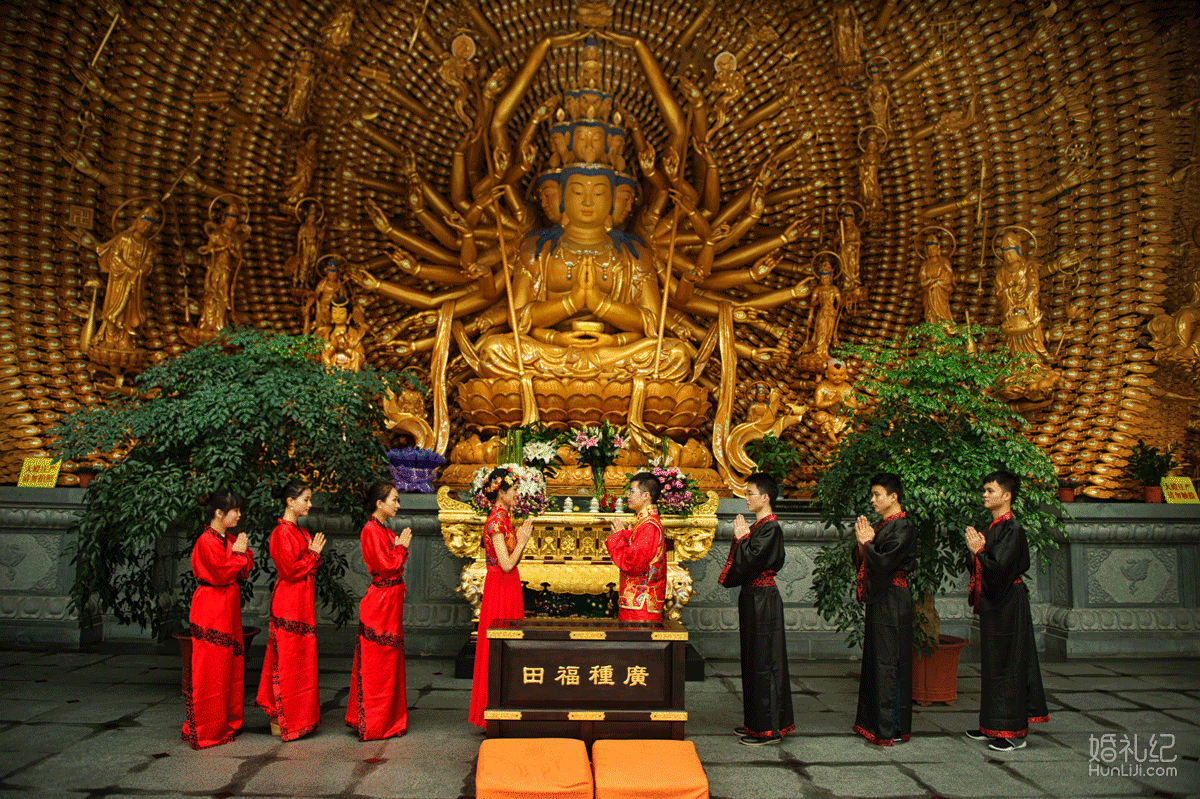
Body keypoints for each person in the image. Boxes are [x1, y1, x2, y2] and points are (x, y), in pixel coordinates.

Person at [964, 470, 1049, 751]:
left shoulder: (1013, 529)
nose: (985, 495)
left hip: (1009, 605)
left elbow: (999, 566)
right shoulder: (993, 527)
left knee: (1009, 664)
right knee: (992, 663)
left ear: (1007, 495)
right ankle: (992, 725)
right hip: (996, 604)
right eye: (985, 490)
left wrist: (978, 552)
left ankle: (1012, 732)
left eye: (990, 490)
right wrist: (975, 551)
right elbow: (982, 564)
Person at [718, 472, 794, 746]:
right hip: (753, 596)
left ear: (765, 497)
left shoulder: (771, 528)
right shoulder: (760, 527)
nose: (746, 497)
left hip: (764, 599)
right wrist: (744, 538)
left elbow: (751, 560)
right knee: (753, 662)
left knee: (765, 662)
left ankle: (769, 728)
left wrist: (741, 539)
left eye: (750, 493)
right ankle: (756, 723)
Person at [182, 488, 253, 749]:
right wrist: (238, 554)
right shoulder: (207, 541)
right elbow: (222, 572)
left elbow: (244, 569)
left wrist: (240, 553)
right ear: (218, 513)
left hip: (226, 605)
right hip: (211, 605)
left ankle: (225, 723)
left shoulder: (226, 539)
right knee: (211, 667)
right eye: (234, 511)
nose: (238, 515)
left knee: (229, 665)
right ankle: (206, 728)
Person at [256, 479, 326, 741]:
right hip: (288, 601)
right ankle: (285, 718)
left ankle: (300, 718)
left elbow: (305, 567)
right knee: (287, 658)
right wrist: (312, 556)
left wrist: (310, 556)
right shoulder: (281, 533)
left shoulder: (300, 532)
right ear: (290, 501)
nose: (310, 504)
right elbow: (289, 570)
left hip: (302, 600)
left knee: (301, 658)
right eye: (306, 499)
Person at [851, 472, 916, 746]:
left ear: (893, 497)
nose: (873, 499)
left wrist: (868, 544)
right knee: (877, 659)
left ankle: (894, 727)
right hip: (882, 599)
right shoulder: (883, 526)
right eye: (873, 494)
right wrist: (862, 545)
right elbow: (867, 561)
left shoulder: (904, 527)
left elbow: (886, 562)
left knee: (891, 661)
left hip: (894, 599)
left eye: (878, 494)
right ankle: (875, 723)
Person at [345, 480, 413, 741]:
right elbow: (386, 566)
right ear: (379, 504)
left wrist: (398, 548)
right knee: (378, 663)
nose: (397, 504)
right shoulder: (372, 530)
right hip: (381, 603)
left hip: (389, 601)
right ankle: (375, 722)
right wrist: (401, 548)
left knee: (388, 661)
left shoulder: (381, 529)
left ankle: (388, 720)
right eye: (394, 500)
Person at [468, 467, 534, 728]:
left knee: (510, 644)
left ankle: (506, 707)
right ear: (502, 493)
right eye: (514, 490)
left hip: (508, 584)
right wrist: (522, 541)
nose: (517, 494)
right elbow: (505, 563)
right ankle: (493, 711)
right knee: (500, 645)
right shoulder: (496, 521)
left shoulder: (504, 517)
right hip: (500, 585)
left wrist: (520, 540)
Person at [605, 472, 667, 621]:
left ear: (646, 495)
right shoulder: (643, 523)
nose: (628, 496)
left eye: (632, 491)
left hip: (641, 605)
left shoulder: (649, 526)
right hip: (635, 602)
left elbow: (634, 563)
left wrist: (619, 537)